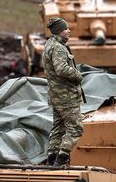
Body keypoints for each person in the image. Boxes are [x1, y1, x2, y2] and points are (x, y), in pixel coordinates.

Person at [42, 17, 84, 167]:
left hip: (56, 96)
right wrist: (78, 75)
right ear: (59, 31)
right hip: (66, 96)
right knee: (76, 128)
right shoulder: (58, 47)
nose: (69, 31)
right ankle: (61, 158)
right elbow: (61, 68)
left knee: (58, 129)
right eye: (66, 29)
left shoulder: (49, 44)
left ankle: (51, 160)